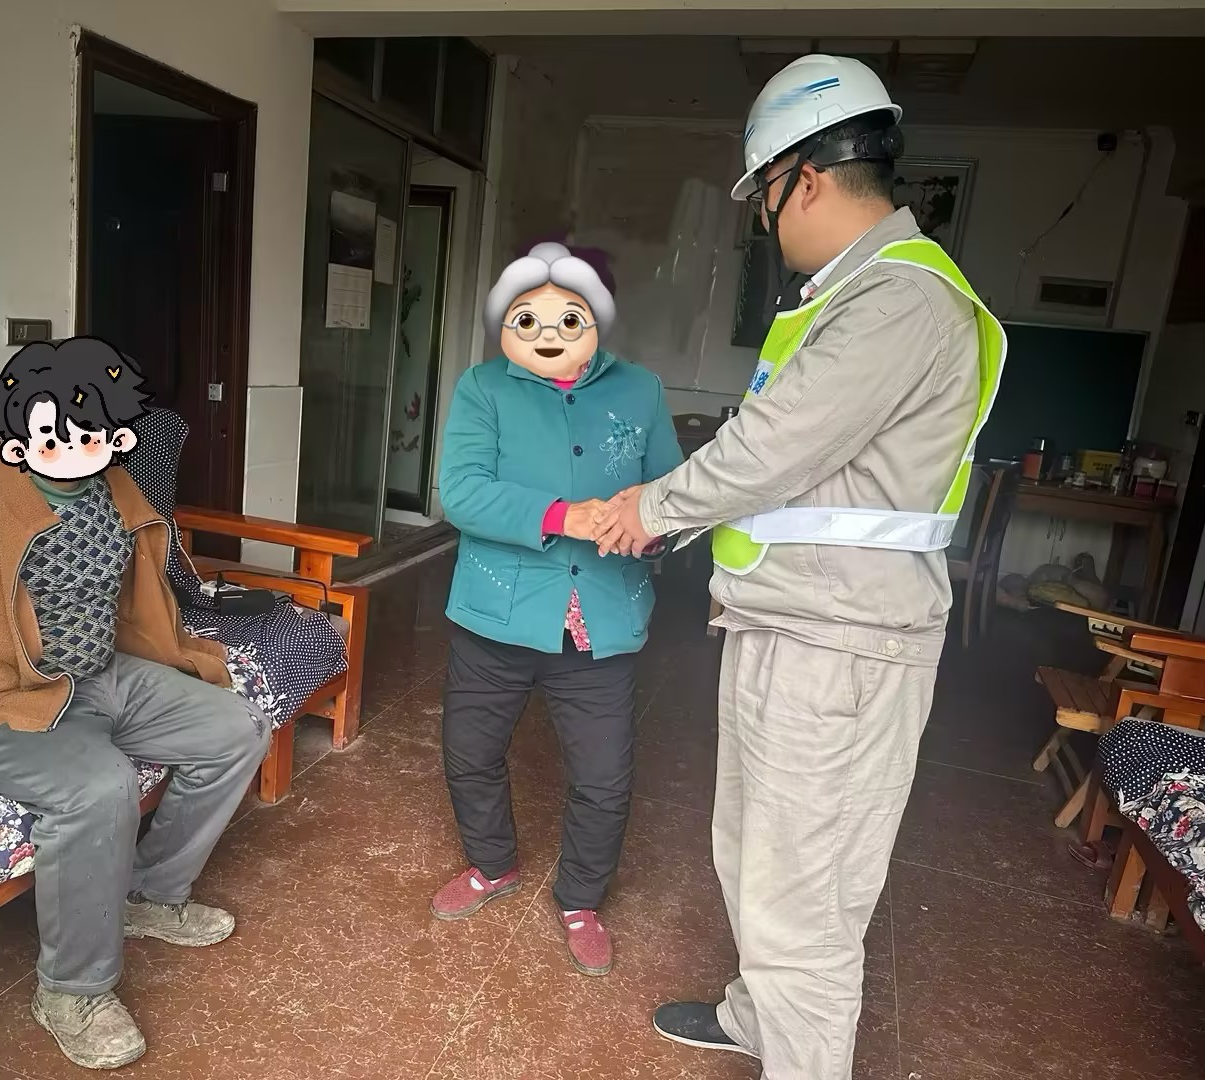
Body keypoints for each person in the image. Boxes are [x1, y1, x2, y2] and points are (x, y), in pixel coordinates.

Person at [593, 56, 1005, 1078]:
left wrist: (648, 509)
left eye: (764, 198)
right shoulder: (856, 292)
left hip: (841, 647)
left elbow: (771, 449)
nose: (766, 223)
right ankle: (756, 1019)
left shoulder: (901, 300)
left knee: (806, 902)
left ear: (805, 179)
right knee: (759, 862)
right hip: (797, 625)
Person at [0, 336, 271, 1070]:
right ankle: (72, 992)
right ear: (15, 429)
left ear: (118, 434)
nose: (73, 447)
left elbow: (139, 594)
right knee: (99, 786)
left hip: (99, 676)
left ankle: (149, 894)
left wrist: (178, 654)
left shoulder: (115, 487)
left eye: (93, 431)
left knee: (237, 726)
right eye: (52, 431)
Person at [429, 242, 683, 976]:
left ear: (596, 318)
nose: (549, 332)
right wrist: (562, 515)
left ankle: (581, 898)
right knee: (471, 754)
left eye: (568, 316)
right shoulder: (484, 388)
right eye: (529, 316)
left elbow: (673, 491)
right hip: (497, 614)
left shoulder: (640, 390)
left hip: (599, 617)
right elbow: (462, 492)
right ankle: (493, 864)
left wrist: (647, 528)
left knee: (603, 778)